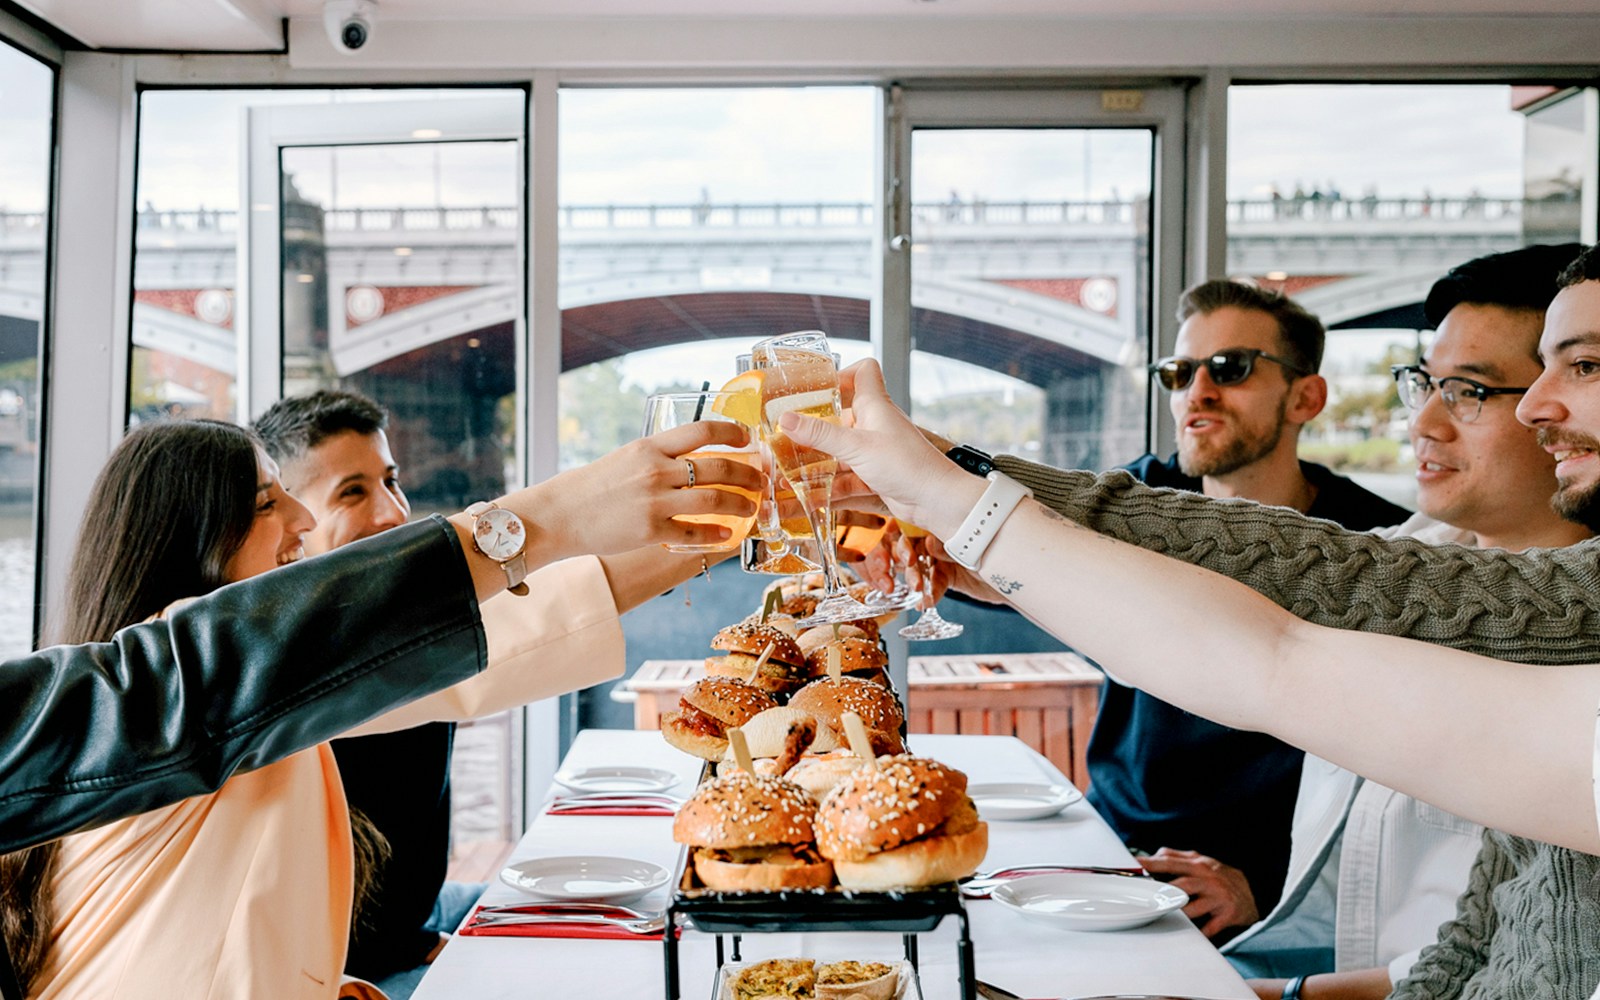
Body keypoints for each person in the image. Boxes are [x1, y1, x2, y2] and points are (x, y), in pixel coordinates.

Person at [5, 416, 759, 999]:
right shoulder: (190, 692)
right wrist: (564, 517)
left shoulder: (225, 700)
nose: (301, 521)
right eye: (271, 502)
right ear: (191, 541)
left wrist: (737, 527)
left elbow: (512, 625)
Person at [255, 389, 720, 996]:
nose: (393, 513)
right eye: (352, 491)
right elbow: (522, 627)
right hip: (352, 969)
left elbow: (535, 606)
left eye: (391, 482)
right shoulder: (286, 662)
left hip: (410, 929)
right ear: (296, 523)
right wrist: (724, 530)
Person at [1222, 244, 1591, 998]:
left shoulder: (1574, 645)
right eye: (1425, 383)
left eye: (1468, 391)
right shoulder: (1403, 557)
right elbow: (1223, 591)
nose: (1423, 421)